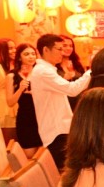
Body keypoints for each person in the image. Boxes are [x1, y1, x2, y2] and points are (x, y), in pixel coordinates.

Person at [28, 34, 92, 169]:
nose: (62, 53)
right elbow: (72, 89)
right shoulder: (44, 72)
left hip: (60, 127)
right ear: (46, 50)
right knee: (67, 171)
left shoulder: (47, 70)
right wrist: (91, 71)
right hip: (56, 131)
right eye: (59, 49)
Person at [5, 44, 42, 157]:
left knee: (44, 155)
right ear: (19, 57)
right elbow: (10, 102)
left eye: (33, 54)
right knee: (30, 156)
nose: (31, 57)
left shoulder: (40, 73)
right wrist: (20, 89)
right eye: (26, 54)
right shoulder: (12, 76)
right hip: (25, 119)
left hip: (42, 117)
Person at [57, 35, 86, 110]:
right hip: (63, 103)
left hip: (80, 101)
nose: (68, 48)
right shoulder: (54, 66)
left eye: (71, 46)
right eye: (65, 45)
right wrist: (64, 78)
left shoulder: (76, 63)